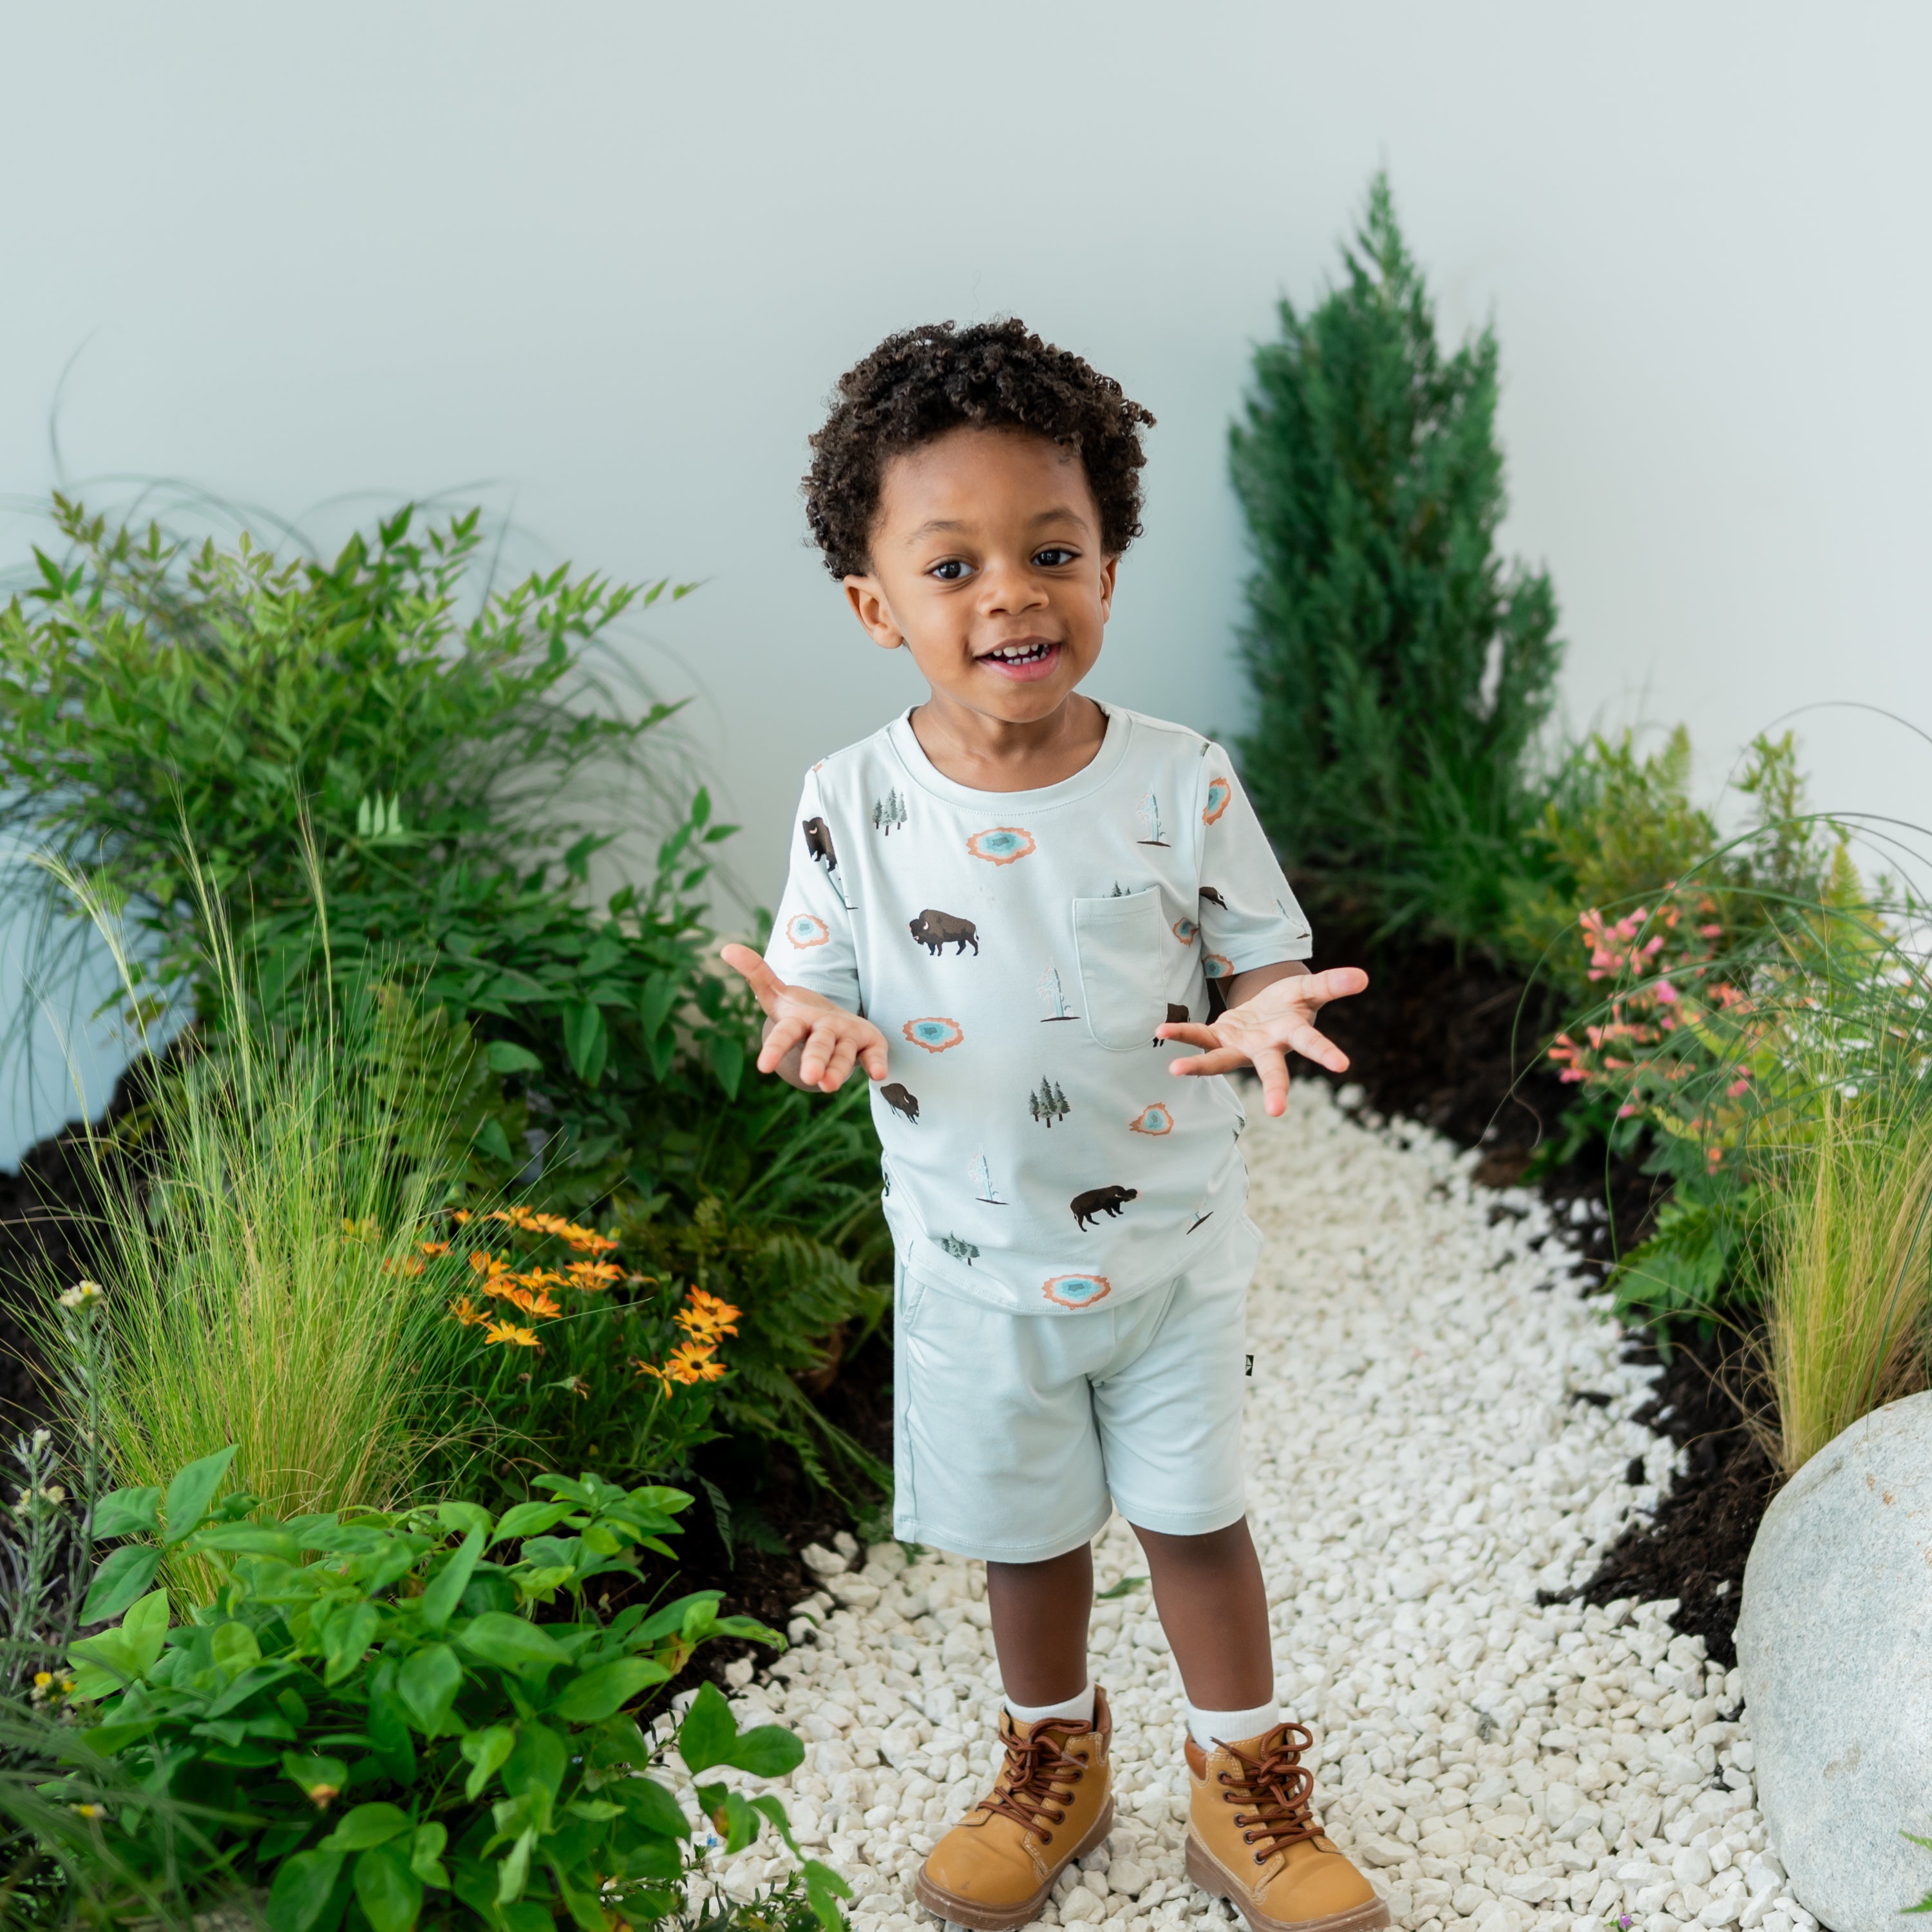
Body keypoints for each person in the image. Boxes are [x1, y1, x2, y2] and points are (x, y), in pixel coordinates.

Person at [721, 319, 1383, 1932]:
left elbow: (1260, 947)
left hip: (1171, 1253)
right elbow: (808, 981)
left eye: (1053, 550)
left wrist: (1266, 1004)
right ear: (879, 606)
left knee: (1194, 1520)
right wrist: (811, 1027)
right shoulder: (849, 803)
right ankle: (1052, 1761)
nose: (1012, 592)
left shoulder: (1181, 780)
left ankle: (1244, 1783)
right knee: (1027, 1541)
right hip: (968, 1263)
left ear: (1106, 567)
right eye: (953, 567)